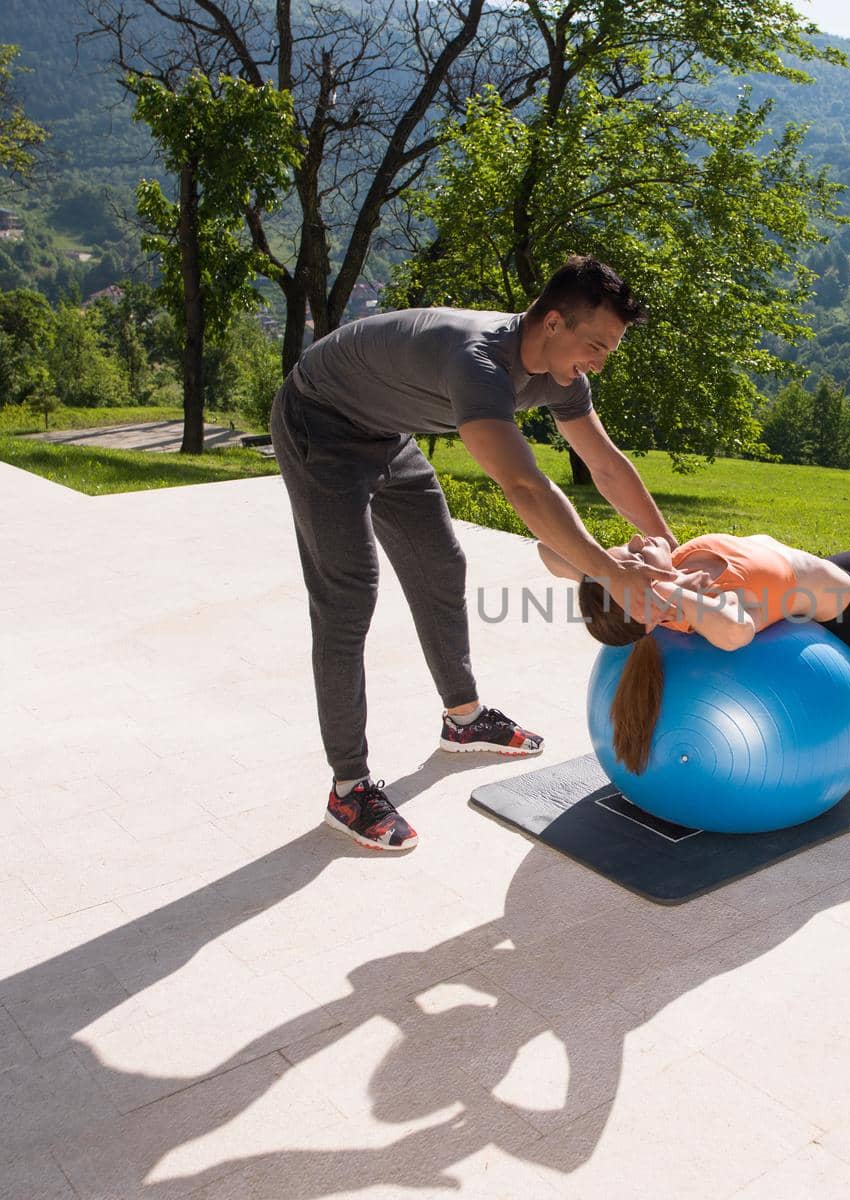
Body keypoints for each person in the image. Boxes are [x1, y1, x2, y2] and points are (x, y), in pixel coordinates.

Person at [272, 256, 676, 851]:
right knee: (349, 594)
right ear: (555, 323)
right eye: (594, 345)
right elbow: (524, 486)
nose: (598, 361)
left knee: (441, 563)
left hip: (386, 430)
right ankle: (349, 787)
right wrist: (612, 572)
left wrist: (669, 545)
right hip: (320, 421)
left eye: (607, 352)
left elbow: (605, 464)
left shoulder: (563, 378)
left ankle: (464, 720)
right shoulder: (479, 363)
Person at [538, 533, 850, 773]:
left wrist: (603, 566)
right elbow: (736, 634)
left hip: (815, 583)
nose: (634, 542)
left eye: (620, 554)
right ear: (644, 599)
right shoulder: (703, 604)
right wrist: (666, 584)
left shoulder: (654, 576)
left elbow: (549, 549)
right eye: (630, 556)